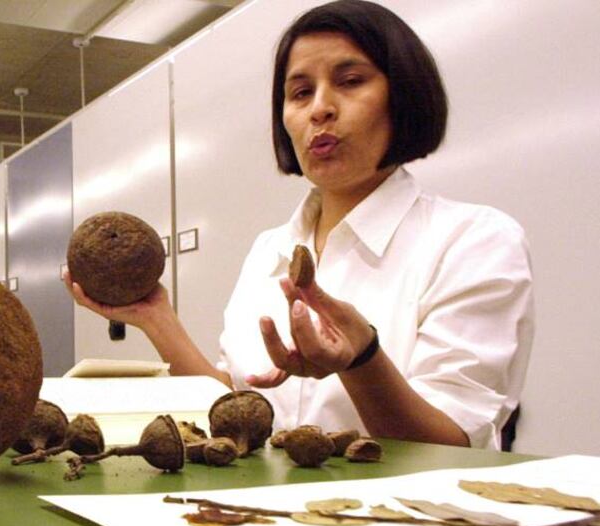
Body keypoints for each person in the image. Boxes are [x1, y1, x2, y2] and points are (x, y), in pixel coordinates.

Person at [65, 0, 534, 450]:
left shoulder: (474, 241)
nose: (320, 110)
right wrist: (156, 318)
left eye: (350, 81)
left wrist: (363, 361)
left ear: (405, 95)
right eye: (300, 92)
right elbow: (233, 406)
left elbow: (451, 444)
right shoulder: (270, 250)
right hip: (260, 519)